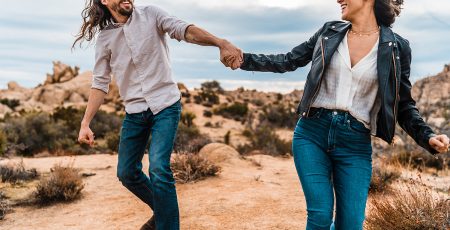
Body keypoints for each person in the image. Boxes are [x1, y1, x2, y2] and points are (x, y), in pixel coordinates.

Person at [226, 0, 450, 229]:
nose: (338, 0)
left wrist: (427, 137)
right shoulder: (328, 32)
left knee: (350, 225)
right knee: (320, 216)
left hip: (355, 143)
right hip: (312, 133)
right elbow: (288, 60)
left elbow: (402, 104)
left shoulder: (397, 47)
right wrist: (244, 59)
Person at [74, 0, 242, 229]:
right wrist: (86, 123)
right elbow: (100, 82)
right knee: (126, 173)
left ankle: (166, 223)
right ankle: (164, 213)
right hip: (134, 112)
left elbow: (184, 30)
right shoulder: (105, 38)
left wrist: (219, 42)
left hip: (165, 105)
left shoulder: (151, 14)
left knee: (158, 168)